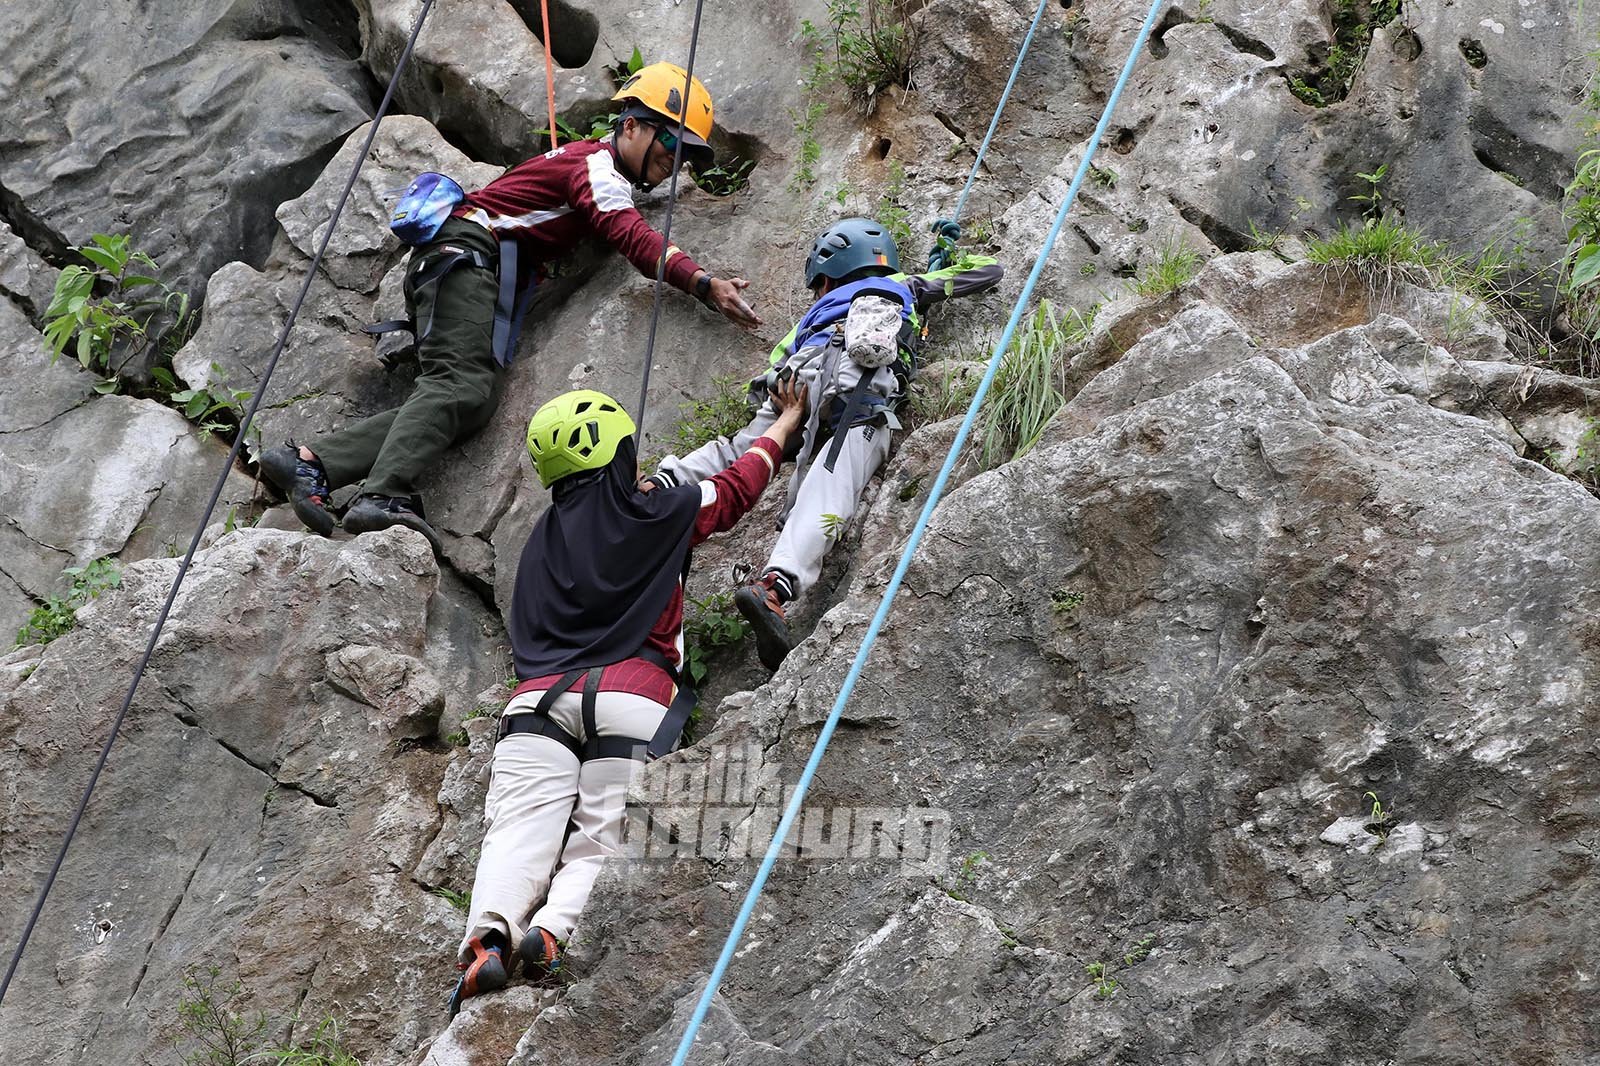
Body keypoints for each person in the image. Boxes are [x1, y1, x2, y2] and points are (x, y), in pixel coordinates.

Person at [261, 62, 763, 554]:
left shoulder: (583, 163)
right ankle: (383, 494)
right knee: (458, 386)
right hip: (463, 261)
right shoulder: (598, 168)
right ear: (630, 125)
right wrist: (703, 283)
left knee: (470, 402)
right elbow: (631, 235)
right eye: (671, 143)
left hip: (453, 262)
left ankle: (314, 463)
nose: (674, 161)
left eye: (685, 155)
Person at [447, 378, 807, 1016]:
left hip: (537, 703)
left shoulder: (537, 542)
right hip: (632, 691)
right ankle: (552, 933)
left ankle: (488, 938)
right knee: (603, 832)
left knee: (519, 825)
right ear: (617, 455)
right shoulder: (655, 510)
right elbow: (734, 489)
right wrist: (785, 423)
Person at [643, 217, 1003, 671]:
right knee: (835, 479)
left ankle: (664, 480)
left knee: (743, 447)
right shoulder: (904, 285)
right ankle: (774, 587)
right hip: (857, 385)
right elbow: (988, 272)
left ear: (828, 276)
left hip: (796, 382)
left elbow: (774, 364)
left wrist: (780, 405)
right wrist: (944, 263)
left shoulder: (813, 314)